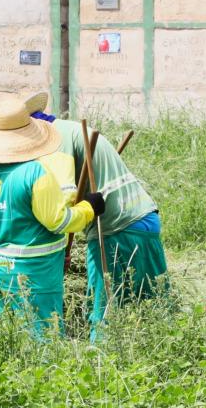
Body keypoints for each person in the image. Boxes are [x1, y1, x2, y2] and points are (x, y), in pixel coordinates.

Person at [20, 89, 169, 338]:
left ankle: (99, 365)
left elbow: (65, 202)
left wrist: (59, 250)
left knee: (105, 312)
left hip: (114, 230)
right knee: (151, 304)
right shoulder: (70, 129)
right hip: (145, 218)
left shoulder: (55, 141)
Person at [0, 95, 103, 338]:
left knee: (6, 336)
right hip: (35, 275)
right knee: (44, 337)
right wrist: (88, 208)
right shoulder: (36, 173)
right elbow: (58, 221)